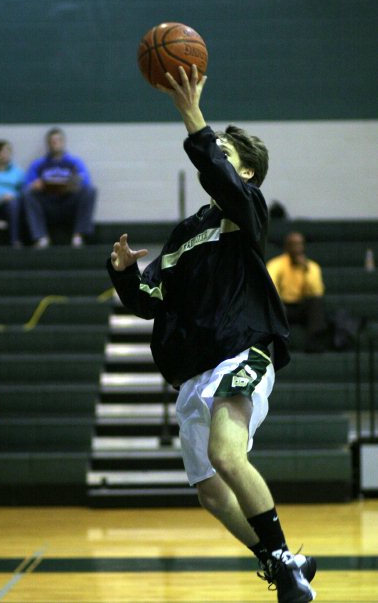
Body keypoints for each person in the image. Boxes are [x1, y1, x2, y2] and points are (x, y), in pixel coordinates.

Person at [107, 65, 316, 602]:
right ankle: (281, 560)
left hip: (241, 351)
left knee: (227, 454)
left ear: (246, 172)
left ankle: (288, 578)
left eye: (226, 152)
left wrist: (192, 116)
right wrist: (124, 274)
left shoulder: (246, 213)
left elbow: (217, 175)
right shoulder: (184, 235)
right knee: (210, 493)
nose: (217, 156)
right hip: (192, 370)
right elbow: (151, 303)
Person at [23, 127, 97, 248]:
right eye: (52, 141)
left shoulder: (75, 162)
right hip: (48, 205)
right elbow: (26, 185)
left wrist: (73, 185)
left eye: (58, 140)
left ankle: (78, 235)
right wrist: (35, 185)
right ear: (48, 144)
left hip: (68, 203)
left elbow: (85, 182)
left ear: (63, 142)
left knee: (90, 191)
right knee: (27, 193)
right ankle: (41, 237)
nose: (55, 143)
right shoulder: (38, 164)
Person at [267, 232, 328, 353]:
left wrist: (306, 270)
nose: (297, 248)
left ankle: (314, 344)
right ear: (287, 247)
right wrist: (279, 304)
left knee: (317, 303)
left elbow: (317, 291)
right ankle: (278, 347)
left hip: (301, 306)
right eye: (293, 244)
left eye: (299, 244)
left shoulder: (312, 267)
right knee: (272, 304)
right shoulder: (276, 264)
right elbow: (271, 286)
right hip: (283, 306)